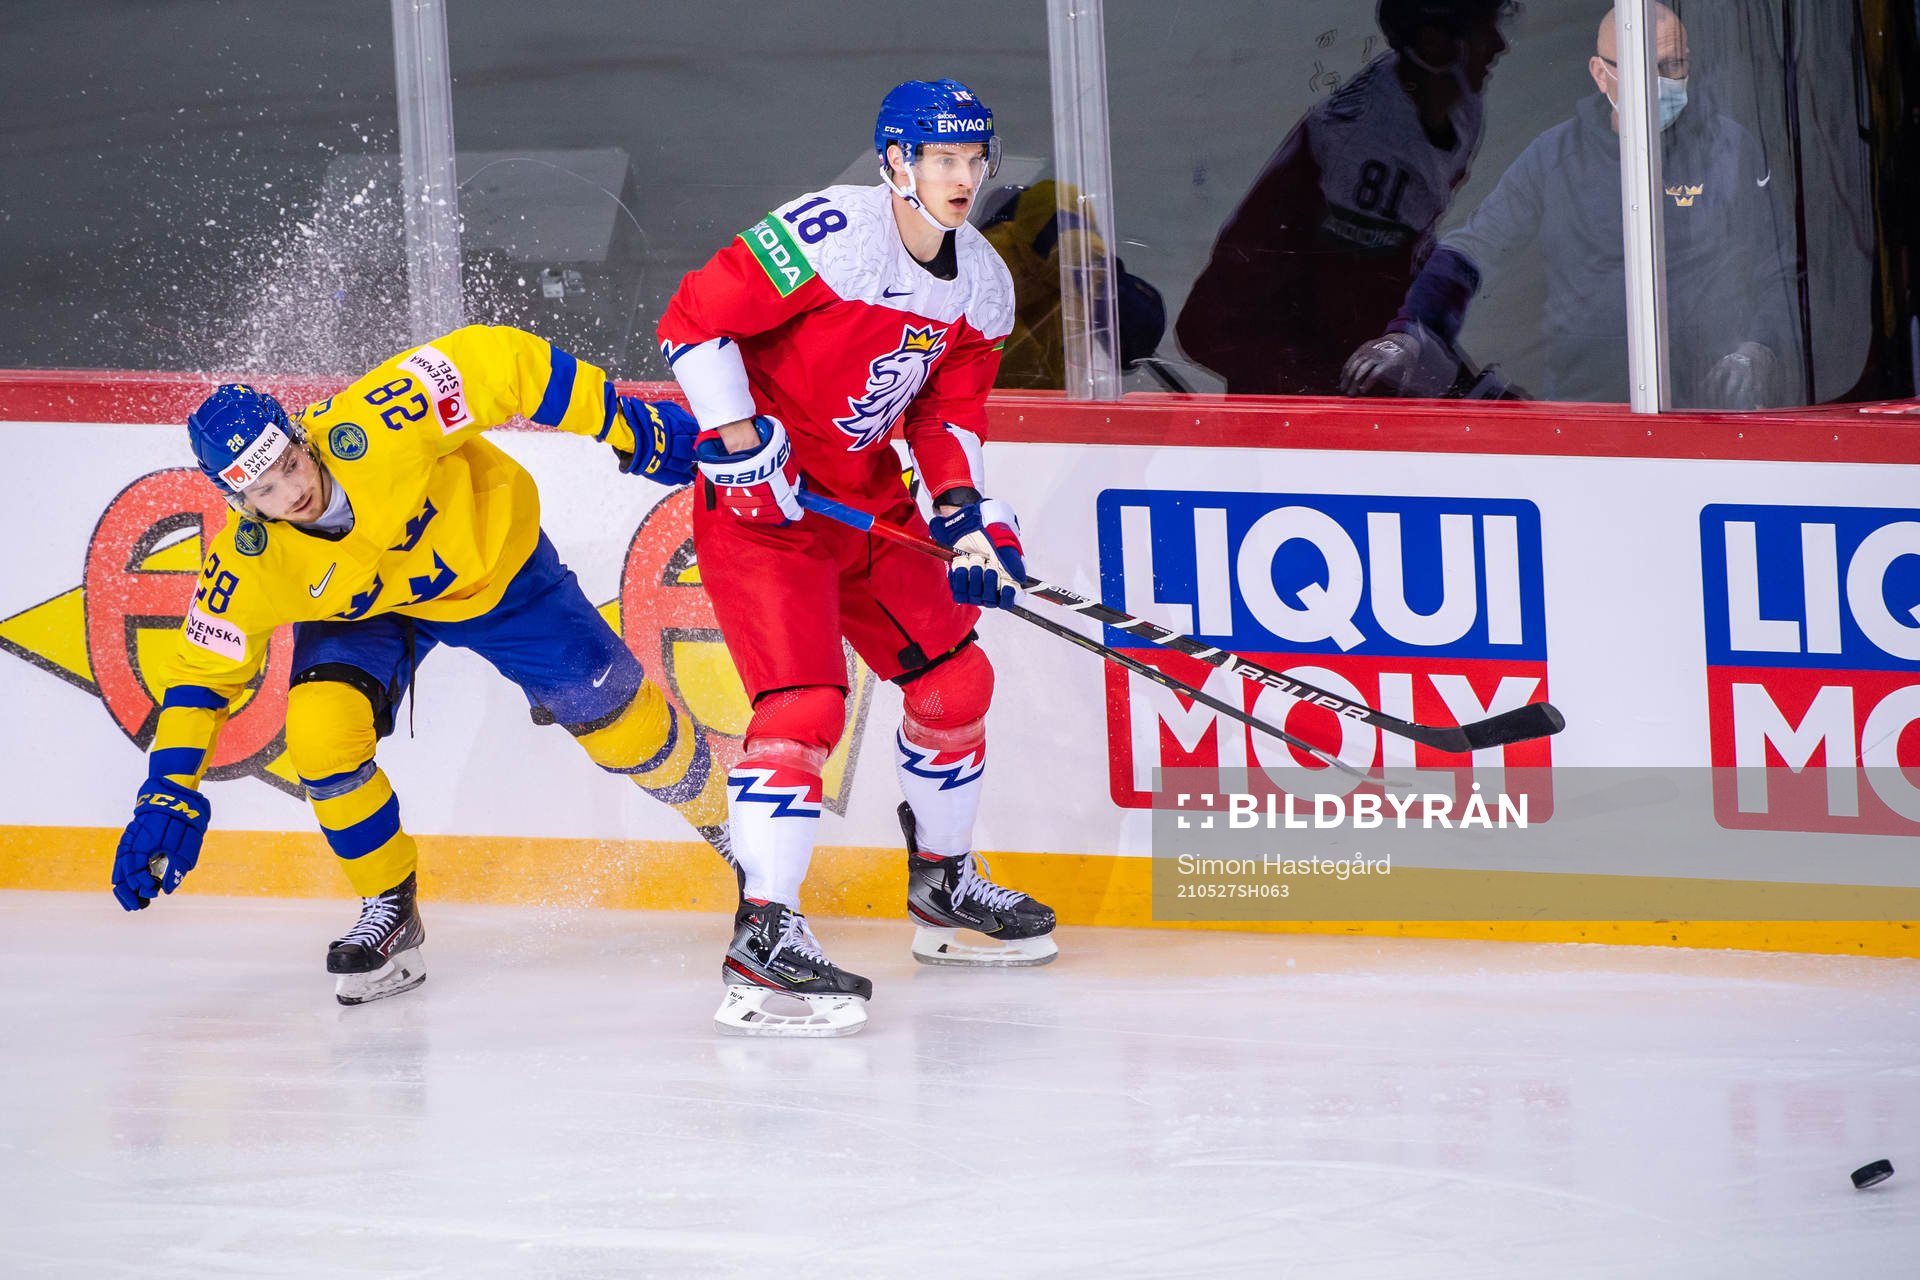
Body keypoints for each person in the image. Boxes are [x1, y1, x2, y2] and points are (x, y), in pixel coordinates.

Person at [110, 324, 731, 1006]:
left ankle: (727, 827)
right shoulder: (248, 562)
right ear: (238, 502)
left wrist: (622, 421)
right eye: (264, 489)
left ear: (301, 438)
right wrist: (166, 786)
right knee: (319, 733)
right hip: (369, 618)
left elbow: (501, 363)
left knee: (620, 720)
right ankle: (390, 907)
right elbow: (201, 677)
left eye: (289, 463)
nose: (292, 493)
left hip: (495, 577)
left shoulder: (378, 421)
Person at [657, 78, 1057, 1038]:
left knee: (955, 681)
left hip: (863, 504)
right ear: (895, 162)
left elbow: (947, 415)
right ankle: (762, 943)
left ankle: (942, 889)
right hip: (763, 515)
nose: (963, 179)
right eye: (942, 159)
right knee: (802, 711)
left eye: (974, 161)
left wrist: (967, 520)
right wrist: (739, 437)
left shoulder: (985, 287)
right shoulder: (833, 235)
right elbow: (692, 319)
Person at [1343, 3, 1798, 408]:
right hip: (1580, 414)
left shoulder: (1728, 149)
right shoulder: (1554, 155)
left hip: (1705, 411)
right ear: (1601, 75)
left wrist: (1758, 349)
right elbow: (1473, 250)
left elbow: (1773, 267)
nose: (1660, 83)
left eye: (1674, 65)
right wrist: (1411, 334)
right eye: (1642, 68)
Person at [1177, 0, 1512, 396]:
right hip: (1268, 342)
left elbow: (1405, 268)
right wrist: (1448, 381)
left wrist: (1452, 372)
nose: (1500, 45)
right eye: (1484, 29)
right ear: (1436, 44)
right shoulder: (1364, 144)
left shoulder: (1459, 108)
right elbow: (1355, 307)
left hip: (1334, 332)